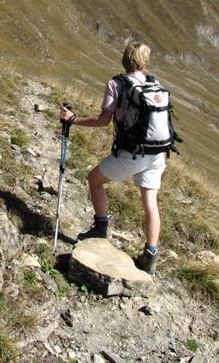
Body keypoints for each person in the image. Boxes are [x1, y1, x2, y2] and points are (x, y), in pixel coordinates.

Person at [59, 42, 166, 274]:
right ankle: (150, 255)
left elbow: (103, 121)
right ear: (144, 62)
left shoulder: (116, 84)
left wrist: (73, 120)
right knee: (150, 202)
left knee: (94, 180)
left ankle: (101, 227)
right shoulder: (154, 84)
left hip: (132, 153)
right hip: (157, 154)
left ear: (124, 59)